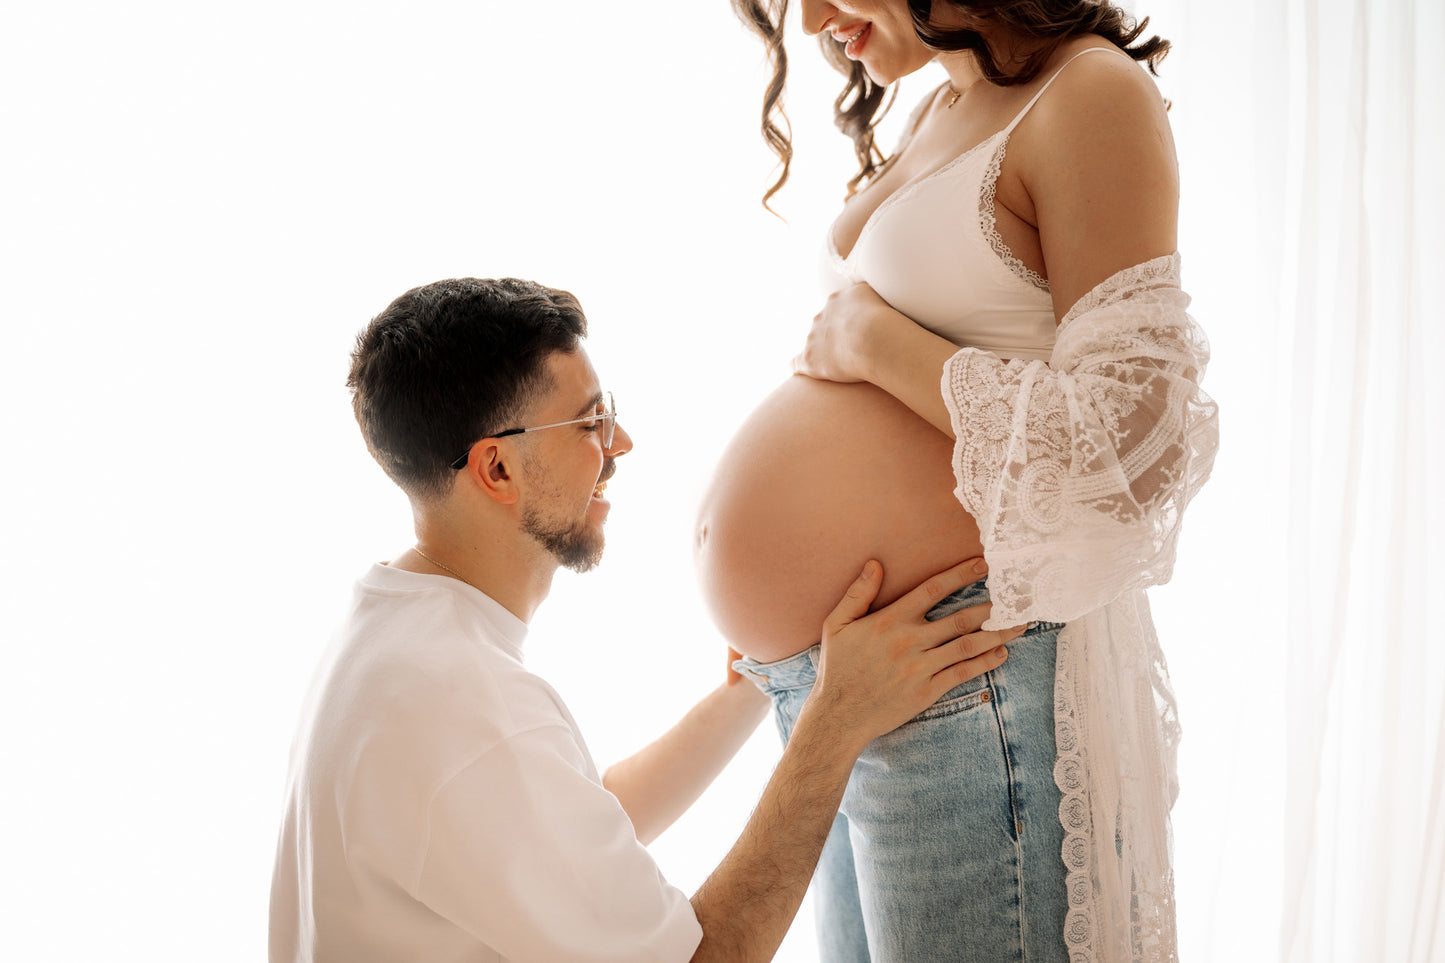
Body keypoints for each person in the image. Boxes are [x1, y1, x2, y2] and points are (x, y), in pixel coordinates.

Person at [268, 276, 1025, 962]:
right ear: (496, 468)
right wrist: (832, 727)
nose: (620, 444)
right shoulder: (462, 699)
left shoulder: (392, 638)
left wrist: (752, 686)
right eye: (589, 422)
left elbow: (574, 826)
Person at [695, 1, 1218, 960]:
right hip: (854, 684)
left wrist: (872, 340)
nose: (810, 19)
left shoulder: (1089, 93)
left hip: (967, 675)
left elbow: (1132, 446)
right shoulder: (939, 104)